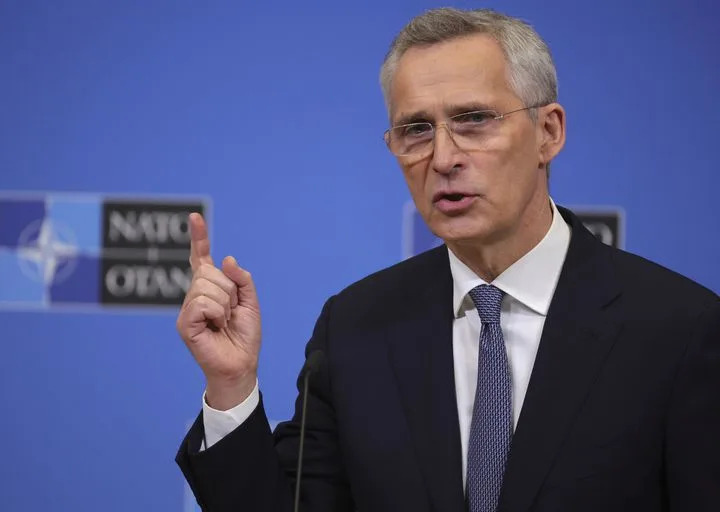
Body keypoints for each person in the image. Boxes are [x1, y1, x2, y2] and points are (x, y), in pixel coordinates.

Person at [175, 8, 720, 512]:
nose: (443, 157)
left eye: (473, 120)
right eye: (416, 130)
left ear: (547, 133)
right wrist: (232, 385)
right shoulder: (356, 328)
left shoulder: (680, 330)